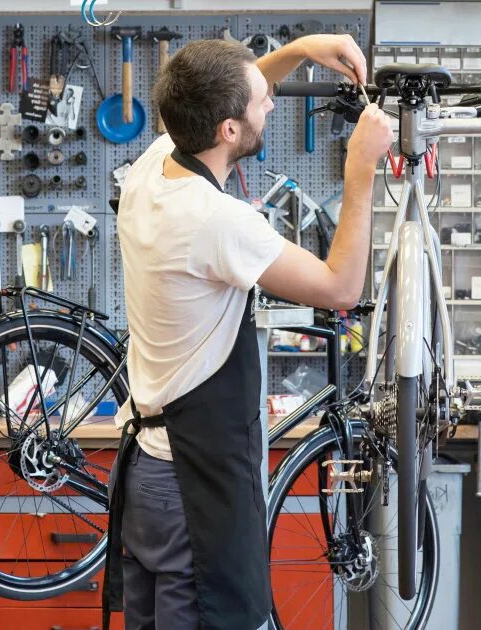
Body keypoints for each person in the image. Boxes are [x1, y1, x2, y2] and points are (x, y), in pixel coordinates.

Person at [101, 36, 396, 630]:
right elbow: (341, 287)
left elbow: (229, 93)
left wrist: (305, 49)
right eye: (262, 102)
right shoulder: (220, 222)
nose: (271, 104)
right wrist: (360, 169)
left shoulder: (151, 168)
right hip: (192, 484)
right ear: (227, 130)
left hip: (146, 474)